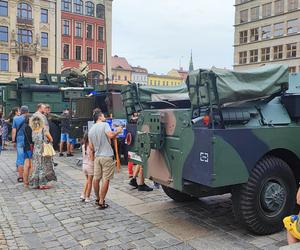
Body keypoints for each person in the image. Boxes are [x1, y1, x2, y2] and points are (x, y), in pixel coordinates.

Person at [89, 111, 122, 209]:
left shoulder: (91, 129)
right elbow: (111, 135)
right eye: (103, 115)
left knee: (96, 178)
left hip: (97, 156)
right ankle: (102, 201)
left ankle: (97, 198)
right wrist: (118, 131)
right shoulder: (105, 125)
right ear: (99, 117)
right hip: (107, 156)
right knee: (106, 179)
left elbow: (91, 147)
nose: (105, 117)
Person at [29, 115, 56, 189]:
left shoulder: (33, 130)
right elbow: (51, 139)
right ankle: (42, 184)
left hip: (35, 151)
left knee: (36, 166)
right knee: (43, 166)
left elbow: (33, 141)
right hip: (42, 150)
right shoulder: (44, 129)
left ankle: (35, 183)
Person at [12, 106, 29, 183]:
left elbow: (14, 130)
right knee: (28, 157)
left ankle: (20, 177)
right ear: (27, 111)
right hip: (28, 140)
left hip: (19, 139)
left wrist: (13, 141)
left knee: (20, 158)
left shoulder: (15, 119)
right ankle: (27, 175)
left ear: (21, 111)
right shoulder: (29, 118)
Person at [80, 133, 94, 202]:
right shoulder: (91, 147)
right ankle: (87, 197)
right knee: (90, 182)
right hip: (90, 165)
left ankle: (83, 194)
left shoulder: (83, 146)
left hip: (84, 165)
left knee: (87, 181)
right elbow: (92, 158)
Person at [23, 114, 33, 188]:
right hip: (31, 148)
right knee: (31, 166)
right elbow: (32, 139)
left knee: (26, 165)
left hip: (25, 147)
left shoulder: (25, 127)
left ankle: (25, 182)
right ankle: (30, 181)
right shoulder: (30, 128)